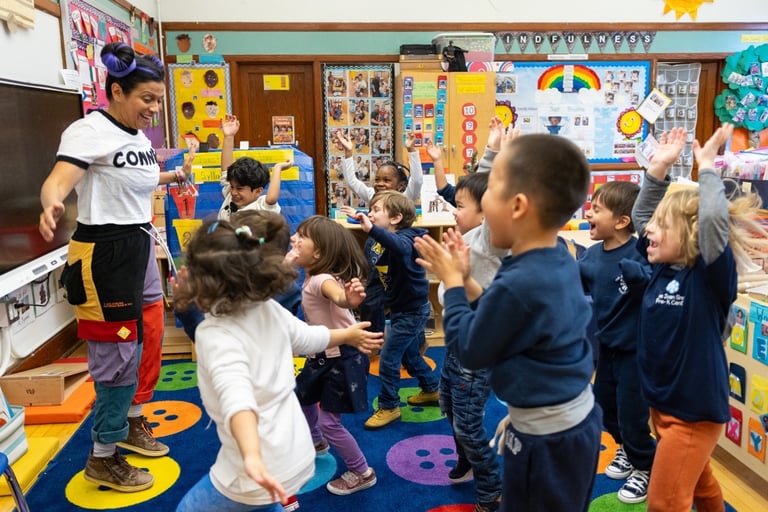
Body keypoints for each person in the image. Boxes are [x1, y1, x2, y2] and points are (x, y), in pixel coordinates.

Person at [38, 42, 199, 492]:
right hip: (104, 254)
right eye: (147, 99)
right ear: (116, 91)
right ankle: (102, 456)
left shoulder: (134, 137)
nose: (153, 109)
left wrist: (170, 176)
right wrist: (51, 201)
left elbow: (129, 177)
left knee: (144, 340)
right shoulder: (89, 131)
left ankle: (129, 423)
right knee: (116, 356)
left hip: (139, 243)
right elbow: (61, 178)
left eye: (158, 101)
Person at [413, 133, 602, 512]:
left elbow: (470, 347)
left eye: (491, 190)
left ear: (516, 206)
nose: (482, 202)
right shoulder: (558, 256)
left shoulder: (518, 282)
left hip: (546, 436)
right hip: (566, 421)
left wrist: (451, 284)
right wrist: (466, 281)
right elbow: (511, 319)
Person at [173, 211, 383, 512]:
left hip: (255, 464)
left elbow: (237, 399)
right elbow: (307, 337)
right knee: (266, 499)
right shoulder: (268, 308)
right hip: (294, 452)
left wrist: (251, 456)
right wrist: (347, 334)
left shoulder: (213, 334)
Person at [630, 123, 768, 512]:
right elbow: (642, 213)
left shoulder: (707, 277)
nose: (649, 231)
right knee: (702, 485)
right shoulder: (661, 266)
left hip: (692, 411)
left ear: (689, 235)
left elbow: (711, 225)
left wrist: (706, 167)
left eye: (661, 225)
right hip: (663, 405)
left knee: (665, 502)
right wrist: (657, 170)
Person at [578, 180, 656, 504]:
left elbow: (654, 285)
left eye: (597, 209)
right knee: (604, 408)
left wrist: (641, 280)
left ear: (622, 221)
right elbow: (571, 279)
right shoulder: (593, 255)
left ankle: (646, 466)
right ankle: (625, 448)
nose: (589, 212)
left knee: (632, 415)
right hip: (607, 347)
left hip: (635, 352)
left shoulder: (640, 252)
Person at [288, 216, 377, 496]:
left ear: (319, 253)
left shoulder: (322, 280)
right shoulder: (314, 275)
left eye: (302, 236)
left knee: (329, 422)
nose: (293, 239)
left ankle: (362, 471)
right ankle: (316, 442)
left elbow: (337, 296)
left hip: (342, 357)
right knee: (302, 396)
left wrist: (348, 300)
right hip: (323, 355)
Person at [433, 172, 505, 512]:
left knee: (467, 422)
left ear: (487, 210)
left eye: (459, 206)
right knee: (447, 404)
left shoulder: (489, 239)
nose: (453, 211)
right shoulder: (469, 234)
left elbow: (492, 193)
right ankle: (467, 459)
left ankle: (490, 490)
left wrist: (494, 152)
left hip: (476, 350)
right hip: (456, 341)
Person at [347, 191, 439, 430]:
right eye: (371, 209)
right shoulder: (381, 239)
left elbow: (398, 246)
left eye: (377, 210)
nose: (371, 214)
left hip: (414, 311)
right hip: (400, 308)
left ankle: (389, 406)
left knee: (388, 359)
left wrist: (372, 229)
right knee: (410, 356)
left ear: (396, 218)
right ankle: (432, 389)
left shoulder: (408, 239)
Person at [336, 128, 424, 346]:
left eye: (387, 180)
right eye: (378, 179)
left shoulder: (404, 197)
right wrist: (348, 154)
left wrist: (412, 151)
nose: (380, 184)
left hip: (396, 264)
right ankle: (374, 339)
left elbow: (418, 182)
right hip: (377, 265)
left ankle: (416, 343)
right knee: (370, 302)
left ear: (400, 186)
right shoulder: (373, 196)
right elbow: (353, 182)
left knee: (404, 311)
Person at [217, 114, 292, 221]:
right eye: (233, 187)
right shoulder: (230, 196)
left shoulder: (260, 207)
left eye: (239, 189)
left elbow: (271, 199)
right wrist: (229, 137)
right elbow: (226, 170)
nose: (233, 192)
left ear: (257, 191)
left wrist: (278, 168)